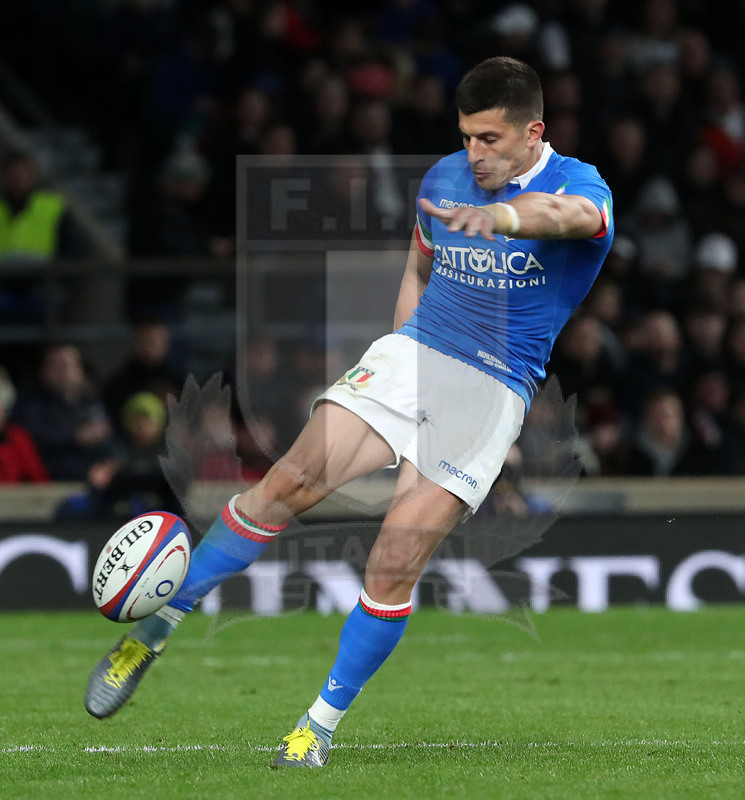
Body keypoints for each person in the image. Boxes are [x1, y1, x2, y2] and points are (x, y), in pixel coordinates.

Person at [84, 57, 614, 767]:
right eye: (465, 137)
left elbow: (568, 217)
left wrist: (501, 216)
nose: (473, 154)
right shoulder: (443, 180)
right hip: (415, 355)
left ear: (532, 132)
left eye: (489, 139)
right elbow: (417, 270)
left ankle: (316, 726)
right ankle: (150, 635)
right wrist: (399, 349)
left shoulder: (578, 185)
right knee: (284, 485)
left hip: (490, 390)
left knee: (393, 559)